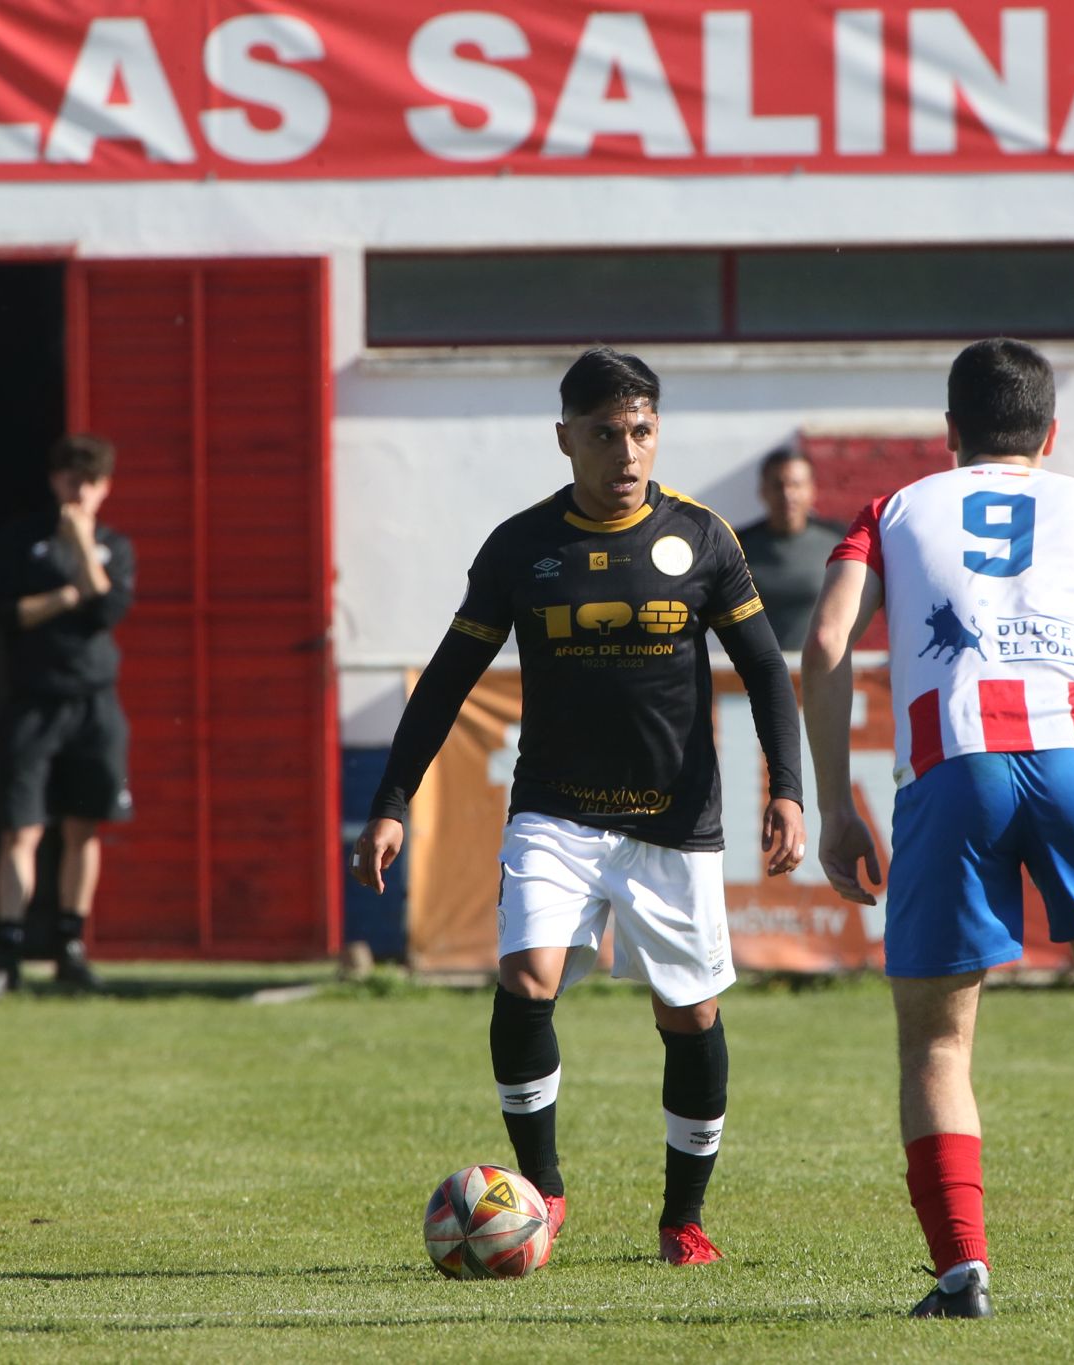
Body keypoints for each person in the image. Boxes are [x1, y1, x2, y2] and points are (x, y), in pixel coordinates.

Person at [800, 339, 1074, 1318]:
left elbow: (826, 641)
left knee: (937, 1040)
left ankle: (961, 1275)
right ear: (1049, 433)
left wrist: (834, 805)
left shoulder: (892, 508)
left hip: (953, 764)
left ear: (948, 431)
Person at [352, 348, 805, 1266]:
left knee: (690, 1016)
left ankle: (684, 1219)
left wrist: (787, 787)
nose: (625, 452)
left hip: (673, 821)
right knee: (526, 981)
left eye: (640, 431)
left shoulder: (703, 537)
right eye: (604, 434)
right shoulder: (521, 547)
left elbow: (765, 668)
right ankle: (542, 1192)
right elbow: (448, 679)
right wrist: (394, 797)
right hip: (555, 812)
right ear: (565, 438)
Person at [0, 435, 136, 1000]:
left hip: (93, 703)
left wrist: (81, 544)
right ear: (54, 480)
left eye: (90, 483)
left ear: (105, 488)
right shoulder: (22, 540)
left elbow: (109, 607)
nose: (79, 492)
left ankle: (71, 946)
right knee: (21, 828)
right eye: (71, 480)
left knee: (83, 826)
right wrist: (68, 596)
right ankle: (8, 951)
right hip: (32, 701)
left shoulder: (114, 545)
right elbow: (5, 613)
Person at [733, 446, 846, 650]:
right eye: (778, 485)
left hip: (818, 666)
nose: (787, 494)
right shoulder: (736, 546)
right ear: (763, 491)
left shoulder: (839, 542)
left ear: (811, 490)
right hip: (756, 667)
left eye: (796, 485)